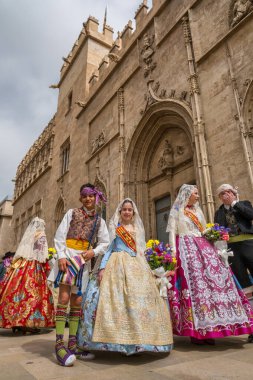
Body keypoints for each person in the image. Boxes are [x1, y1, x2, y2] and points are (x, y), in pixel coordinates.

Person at [77, 198, 173, 356]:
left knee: (140, 301)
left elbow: (141, 249)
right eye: (124, 210)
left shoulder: (137, 227)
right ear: (120, 212)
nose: (127, 212)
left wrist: (151, 268)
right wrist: (102, 268)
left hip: (137, 264)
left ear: (133, 212)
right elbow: (108, 249)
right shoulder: (115, 227)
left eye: (129, 210)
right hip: (116, 262)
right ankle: (112, 342)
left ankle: (140, 341)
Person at [167, 184, 253, 345]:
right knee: (195, 289)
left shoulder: (199, 211)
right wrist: (173, 254)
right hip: (187, 250)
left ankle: (212, 328)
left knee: (212, 286)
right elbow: (172, 232)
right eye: (196, 193)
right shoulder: (177, 211)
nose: (198, 196)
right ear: (187, 195)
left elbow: (205, 230)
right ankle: (197, 332)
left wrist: (213, 238)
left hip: (205, 248)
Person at [48, 183, 109, 367]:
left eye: (91, 196)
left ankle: (72, 342)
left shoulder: (99, 220)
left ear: (95, 198)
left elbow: (105, 242)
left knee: (77, 301)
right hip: (68, 258)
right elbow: (60, 236)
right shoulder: (71, 213)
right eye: (85, 196)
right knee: (65, 297)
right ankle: (59, 342)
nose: (88, 199)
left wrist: (94, 252)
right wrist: (60, 256)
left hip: (84, 261)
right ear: (81, 198)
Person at [0, 218, 55, 333]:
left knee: (18, 291)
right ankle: (28, 323)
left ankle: (16, 321)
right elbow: (41, 254)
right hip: (34, 266)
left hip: (21, 264)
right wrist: (46, 265)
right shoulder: (41, 235)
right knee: (33, 294)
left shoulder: (29, 236)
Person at [214, 183, 253, 342]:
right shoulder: (219, 212)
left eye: (228, 192)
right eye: (222, 193)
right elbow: (217, 230)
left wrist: (235, 204)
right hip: (231, 250)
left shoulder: (244, 204)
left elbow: (251, 215)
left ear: (234, 193)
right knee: (245, 286)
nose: (226, 195)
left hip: (249, 244)